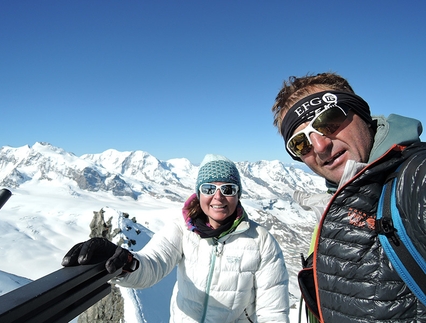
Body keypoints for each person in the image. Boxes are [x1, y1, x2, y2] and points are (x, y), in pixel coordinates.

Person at [271, 72, 426, 322]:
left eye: (328, 121)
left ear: (361, 114)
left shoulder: (416, 178)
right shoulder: (336, 206)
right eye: (301, 143)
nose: (320, 146)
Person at [62, 154, 290, 323]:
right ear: (198, 194)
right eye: (209, 188)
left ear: (238, 195)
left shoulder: (261, 242)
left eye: (228, 189)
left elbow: (273, 313)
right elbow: (153, 264)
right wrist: (125, 263)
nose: (218, 197)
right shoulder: (183, 229)